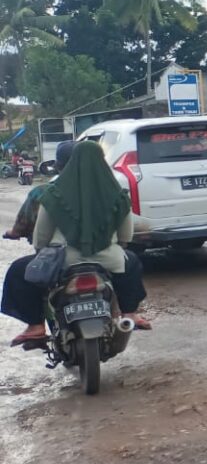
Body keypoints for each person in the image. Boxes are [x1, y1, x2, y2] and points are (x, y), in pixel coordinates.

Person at [2, 141, 149, 346]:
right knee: (132, 263)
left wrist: (42, 253)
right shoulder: (118, 195)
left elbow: (41, 238)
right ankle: (130, 314)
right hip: (109, 261)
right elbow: (125, 236)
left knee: (19, 270)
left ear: (64, 165)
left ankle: (35, 326)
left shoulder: (52, 194)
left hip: (63, 261)